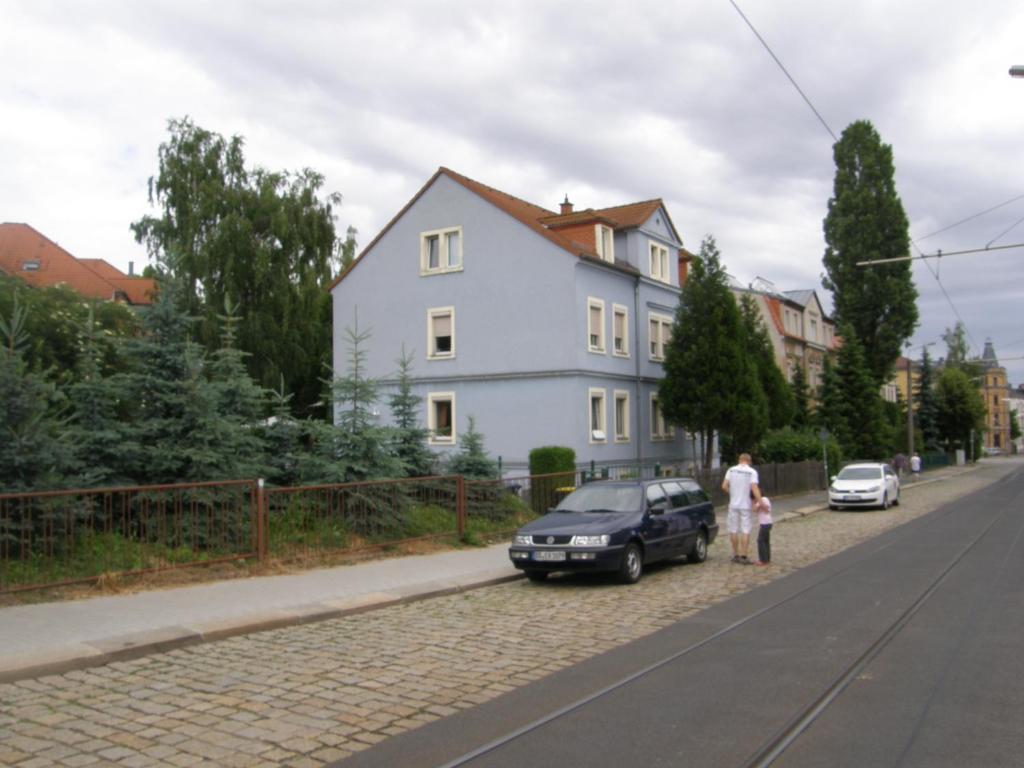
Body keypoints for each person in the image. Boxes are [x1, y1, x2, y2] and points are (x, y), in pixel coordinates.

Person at [721, 453, 761, 565]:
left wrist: (732, 493)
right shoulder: (752, 472)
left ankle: (735, 554)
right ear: (749, 461)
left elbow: (724, 486)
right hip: (745, 504)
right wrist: (760, 501)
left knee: (733, 529)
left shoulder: (731, 470)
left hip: (733, 504)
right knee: (745, 530)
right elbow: (754, 488)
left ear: (740, 460)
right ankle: (744, 555)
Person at [755, 496, 773, 566]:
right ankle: (767, 558)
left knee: (760, 540)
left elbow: (754, 509)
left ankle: (763, 559)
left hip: (765, 523)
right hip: (768, 522)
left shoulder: (762, 500)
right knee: (766, 541)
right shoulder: (765, 499)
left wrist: (756, 503)